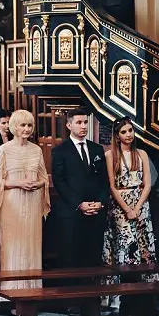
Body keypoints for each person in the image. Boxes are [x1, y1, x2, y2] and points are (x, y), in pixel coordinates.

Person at [0, 109, 51, 291]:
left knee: (32, 246)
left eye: (29, 125)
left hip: (32, 204)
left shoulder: (37, 150)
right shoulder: (4, 150)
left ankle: (32, 291)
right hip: (11, 205)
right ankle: (11, 293)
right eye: (22, 125)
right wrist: (18, 183)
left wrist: (37, 184)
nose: (26, 129)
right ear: (14, 126)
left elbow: (43, 178)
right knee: (12, 247)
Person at [102, 116, 158, 307]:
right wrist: (127, 209)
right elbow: (111, 185)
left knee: (144, 246)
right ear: (117, 136)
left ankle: (147, 292)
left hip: (141, 203)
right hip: (120, 205)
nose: (128, 135)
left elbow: (148, 184)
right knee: (124, 246)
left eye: (130, 131)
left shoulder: (141, 153)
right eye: (123, 132)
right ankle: (118, 296)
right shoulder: (110, 155)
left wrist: (137, 207)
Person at [51, 108, 110, 270]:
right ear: (69, 125)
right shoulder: (60, 150)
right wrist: (79, 204)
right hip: (72, 213)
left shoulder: (97, 149)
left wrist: (100, 202)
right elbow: (59, 181)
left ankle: (94, 295)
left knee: (94, 260)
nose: (83, 126)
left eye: (85, 122)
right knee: (72, 260)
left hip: (96, 212)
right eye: (79, 122)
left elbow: (105, 180)